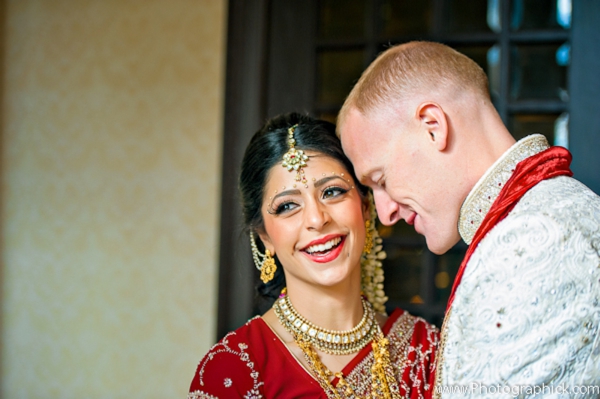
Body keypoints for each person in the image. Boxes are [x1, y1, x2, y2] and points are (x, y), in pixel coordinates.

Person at [337, 41, 600, 397]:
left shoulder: (533, 239)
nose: (385, 213)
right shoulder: (537, 214)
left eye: (380, 181)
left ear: (433, 126)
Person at [188, 113, 439, 399]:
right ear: (265, 237)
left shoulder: (424, 350)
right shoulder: (235, 369)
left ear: (365, 208)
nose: (317, 219)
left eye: (332, 191)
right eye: (287, 206)